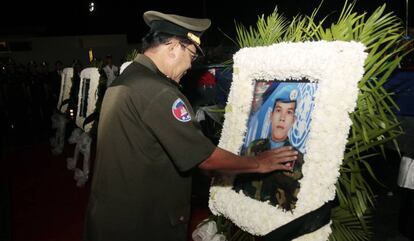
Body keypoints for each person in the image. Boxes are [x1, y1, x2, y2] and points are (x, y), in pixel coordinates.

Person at [83, 11, 298, 241]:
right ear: (174, 47)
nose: (189, 66)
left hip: (112, 217)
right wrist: (258, 162)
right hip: (141, 225)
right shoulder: (159, 91)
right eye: (192, 55)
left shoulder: (127, 79)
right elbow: (205, 158)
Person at [234, 84, 304, 211]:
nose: (282, 118)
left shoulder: (297, 158)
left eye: (288, 112)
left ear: (293, 120)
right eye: (278, 110)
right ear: (271, 116)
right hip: (244, 210)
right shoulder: (254, 147)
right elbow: (239, 179)